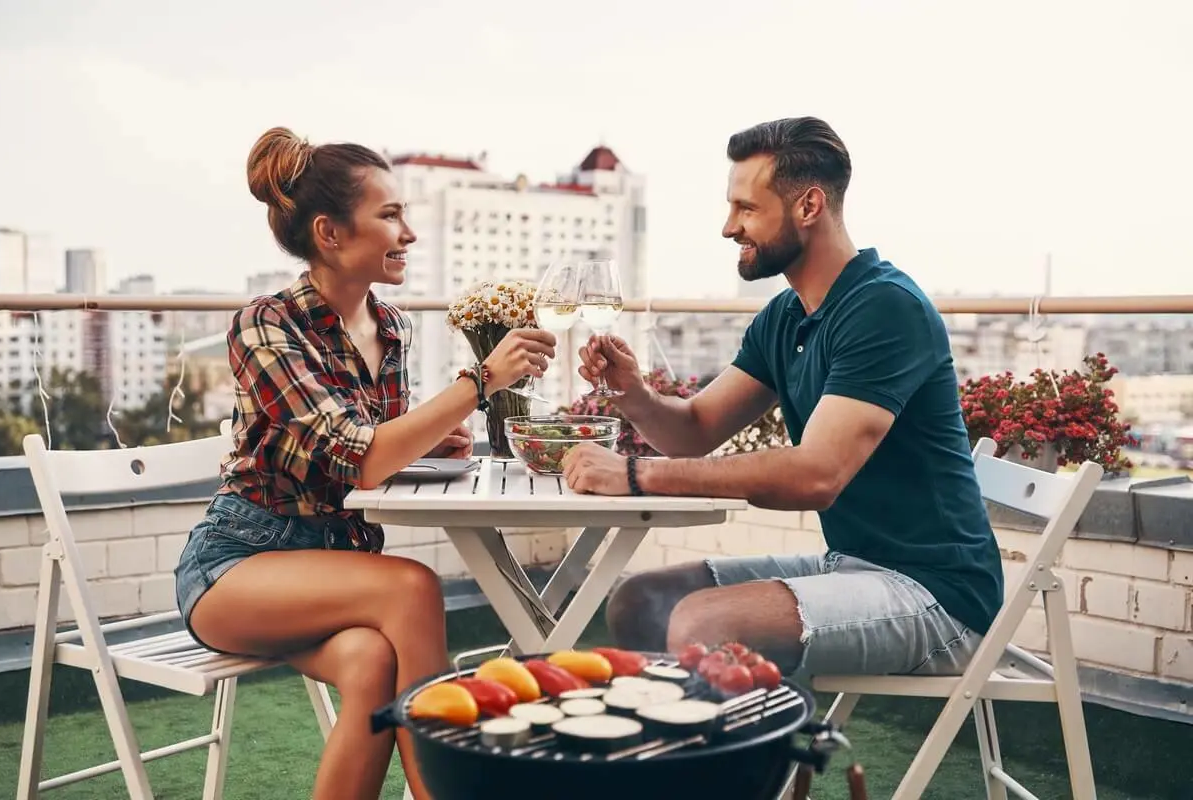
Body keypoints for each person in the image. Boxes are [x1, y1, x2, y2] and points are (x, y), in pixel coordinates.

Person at [173, 127, 557, 800]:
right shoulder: (265, 325)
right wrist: (479, 383)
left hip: (333, 571)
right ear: (329, 232)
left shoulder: (393, 328)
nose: (408, 232)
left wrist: (424, 438)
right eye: (390, 214)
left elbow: (363, 441)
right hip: (238, 565)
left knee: (373, 661)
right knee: (409, 588)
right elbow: (364, 461)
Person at [561, 116, 1003, 682]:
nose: (728, 228)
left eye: (746, 209)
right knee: (639, 600)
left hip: (939, 594)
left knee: (698, 622)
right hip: (850, 566)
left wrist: (636, 474)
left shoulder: (885, 308)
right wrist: (633, 395)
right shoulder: (787, 315)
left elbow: (815, 476)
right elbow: (695, 428)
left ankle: (738, 766)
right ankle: (683, 761)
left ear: (809, 206)